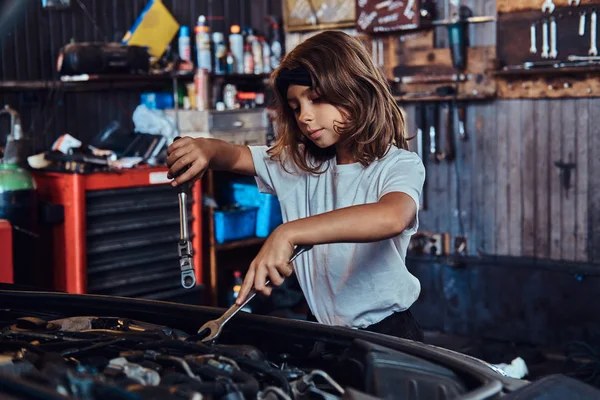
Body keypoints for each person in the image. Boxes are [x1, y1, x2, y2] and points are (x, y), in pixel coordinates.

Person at [167, 30, 426, 341]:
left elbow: (391, 217)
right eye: (295, 106)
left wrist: (288, 233)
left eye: (316, 99)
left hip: (388, 336)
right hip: (320, 331)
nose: (305, 116)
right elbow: (234, 156)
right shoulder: (299, 163)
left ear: (355, 92)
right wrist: (205, 148)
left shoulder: (397, 165)